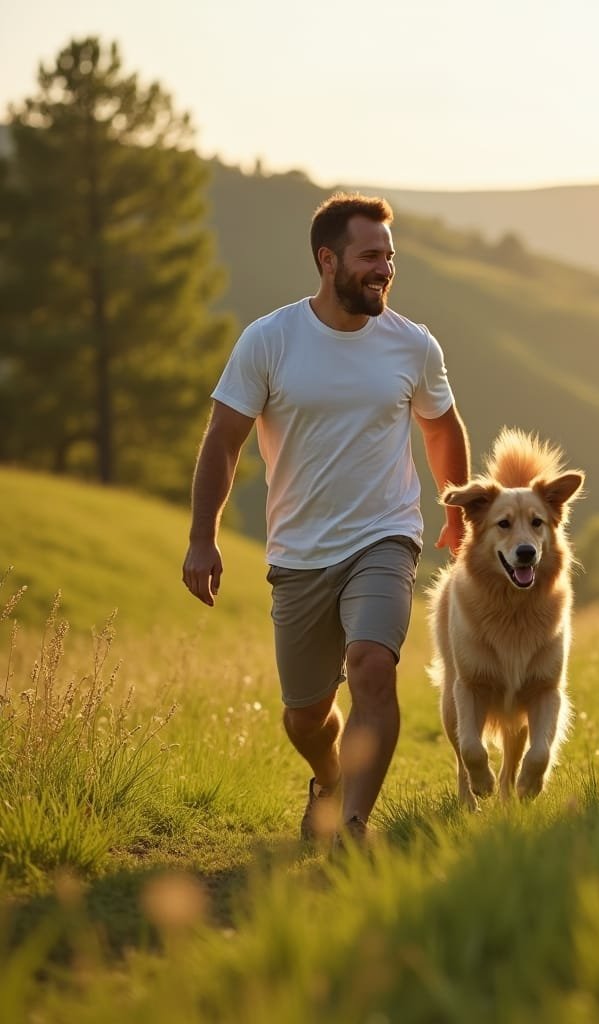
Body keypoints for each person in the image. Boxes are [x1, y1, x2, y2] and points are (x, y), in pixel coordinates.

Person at [181, 192, 470, 846]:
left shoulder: (412, 345)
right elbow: (223, 441)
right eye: (370, 256)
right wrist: (202, 537)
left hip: (385, 536)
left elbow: (441, 428)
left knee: (372, 667)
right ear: (327, 259)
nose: (384, 269)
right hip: (300, 552)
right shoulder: (270, 340)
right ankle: (329, 776)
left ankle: (353, 827)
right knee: (305, 716)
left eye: (389, 256)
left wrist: (457, 512)